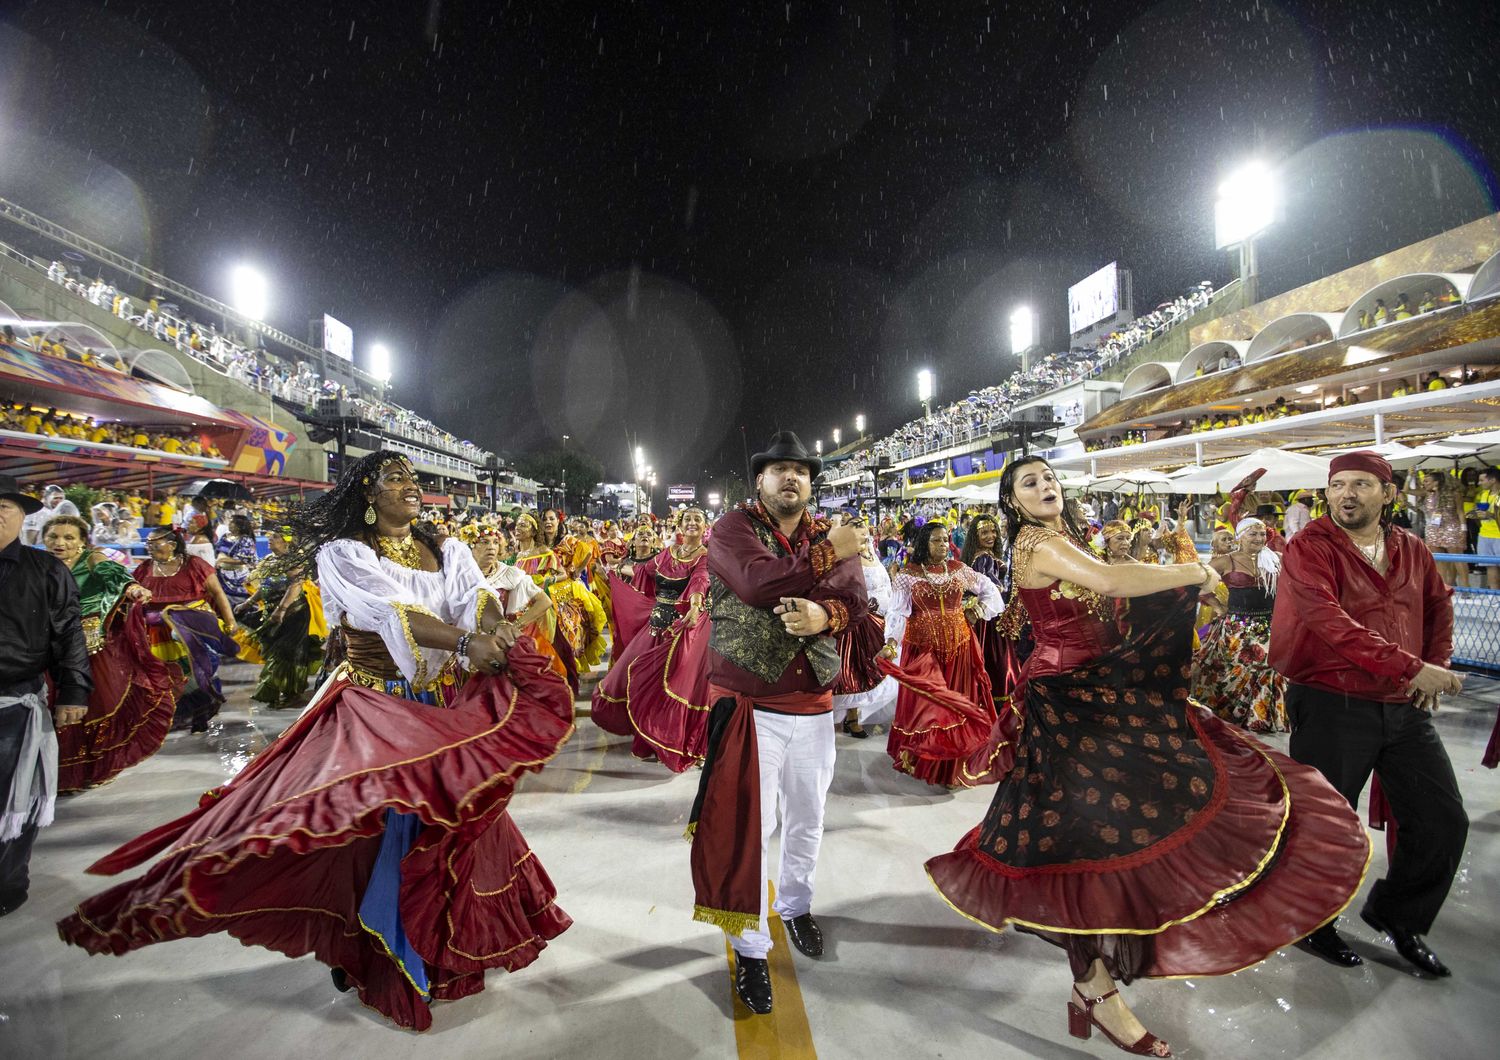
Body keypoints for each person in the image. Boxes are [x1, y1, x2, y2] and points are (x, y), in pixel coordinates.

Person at [58, 451, 576, 1031]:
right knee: (372, 830)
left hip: (435, 708)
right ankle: (378, 951)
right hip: (371, 708)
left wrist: (493, 627)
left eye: (412, 478)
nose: (410, 486)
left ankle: (440, 948)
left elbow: (472, 599)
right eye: (395, 478)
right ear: (366, 494)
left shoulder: (449, 550)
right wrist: (464, 643)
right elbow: (390, 611)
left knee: (450, 823)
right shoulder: (344, 555)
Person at [926, 456, 1370, 1058]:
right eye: (1029, 483)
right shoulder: (1035, 543)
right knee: (1085, 845)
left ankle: (1099, 974)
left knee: (1116, 830)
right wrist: (1191, 571)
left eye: (1049, 477)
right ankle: (1094, 988)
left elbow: (1115, 594)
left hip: (1105, 690)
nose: (1045, 486)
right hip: (1065, 704)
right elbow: (1111, 582)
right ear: (1012, 502)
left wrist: (1178, 593)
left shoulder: (1064, 536)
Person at [688, 432, 867, 1016]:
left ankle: (795, 905)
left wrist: (823, 612)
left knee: (808, 820)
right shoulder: (733, 529)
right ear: (759, 480)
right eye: (779, 470)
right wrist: (822, 561)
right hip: (751, 709)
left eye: (801, 471)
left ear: (811, 483)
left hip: (814, 706)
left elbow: (856, 600)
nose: (792, 478)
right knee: (750, 832)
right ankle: (752, 946)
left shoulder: (826, 535)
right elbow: (756, 583)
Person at [1270, 450, 1466, 977]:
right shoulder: (1309, 547)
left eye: (1361, 484)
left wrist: (1436, 664)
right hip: (1333, 702)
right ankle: (1313, 922)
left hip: (1402, 707)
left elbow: (1438, 606)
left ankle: (1400, 915)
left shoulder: (1412, 549)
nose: (1346, 494)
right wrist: (1412, 667)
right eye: (1337, 485)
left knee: (1441, 818)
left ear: (1388, 493)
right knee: (1328, 822)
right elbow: (1329, 623)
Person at [0, 476, 91, 915]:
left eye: (5, 506)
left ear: (21, 515)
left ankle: (7, 883)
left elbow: (68, 633)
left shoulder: (45, 569)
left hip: (16, 705)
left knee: (14, 800)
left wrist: (73, 690)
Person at [40, 515, 178, 791]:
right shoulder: (38, 565)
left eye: (69, 538)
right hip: (48, 648)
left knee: (96, 707)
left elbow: (113, 575)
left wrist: (132, 588)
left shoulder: (92, 559)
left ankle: (96, 768)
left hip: (91, 647)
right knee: (52, 709)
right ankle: (57, 773)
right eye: (53, 536)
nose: (60, 543)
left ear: (82, 542)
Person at [883, 521, 1004, 786]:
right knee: (932, 708)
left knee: (955, 707)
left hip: (960, 648)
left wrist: (978, 610)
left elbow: (991, 590)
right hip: (922, 650)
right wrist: (891, 643)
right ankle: (927, 761)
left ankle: (953, 768)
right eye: (936, 540)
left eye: (945, 539)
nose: (942, 545)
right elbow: (897, 613)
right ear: (925, 542)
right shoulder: (908, 574)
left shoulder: (959, 570)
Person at [592, 508, 713, 770]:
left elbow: (700, 581)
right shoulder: (666, 555)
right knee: (634, 675)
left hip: (683, 628)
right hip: (655, 625)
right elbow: (642, 570)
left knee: (669, 684)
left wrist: (694, 604)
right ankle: (649, 738)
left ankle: (669, 740)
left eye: (697, 520)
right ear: (679, 526)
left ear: (705, 527)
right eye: (687, 519)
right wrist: (614, 571)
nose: (692, 523)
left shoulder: (704, 557)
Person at [132, 526, 241, 733]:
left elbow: (218, 593)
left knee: (195, 671)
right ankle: (174, 714)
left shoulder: (194, 565)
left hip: (193, 628)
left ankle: (198, 709)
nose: (150, 549)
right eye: (148, 545)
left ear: (172, 545)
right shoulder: (144, 568)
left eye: (155, 545)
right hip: (156, 634)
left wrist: (230, 621)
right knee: (164, 674)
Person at [1193, 517, 1287, 732]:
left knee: (1269, 667)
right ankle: (1235, 714)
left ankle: (1259, 718)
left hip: (1269, 626)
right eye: (1252, 534)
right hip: (1237, 628)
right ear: (1240, 537)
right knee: (1237, 672)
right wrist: (1217, 606)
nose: (1259, 538)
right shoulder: (1225, 561)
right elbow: (1198, 586)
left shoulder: (1276, 559)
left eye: (1262, 534)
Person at [242, 527, 326, 711]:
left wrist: (281, 609)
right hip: (272, 613)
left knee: (289, 653)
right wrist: (248, 603)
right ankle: (276, 691)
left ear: (286, 542)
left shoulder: (294, 560)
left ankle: (292, 693)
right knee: (275, 653)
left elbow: (295, 585)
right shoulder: (270, 560)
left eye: (275, 537)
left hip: (294, 614)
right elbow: (264, 586)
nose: (270, 539)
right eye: (270, 536)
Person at [831, 518, 898, 736]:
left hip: (878, 622)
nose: (861, 531)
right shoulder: (844, 555)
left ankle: (858, 715)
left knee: (876, 668)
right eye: (855, 527)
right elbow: (838, 587)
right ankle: (851, 717)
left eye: (862, 526)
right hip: (855, 623)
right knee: (855, 672)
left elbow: (884, 583)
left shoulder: (871, 552)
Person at [214, 513, 260, 609]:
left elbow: (243, 560)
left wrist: (223, 560)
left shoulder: (246, 540)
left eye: (232, 522)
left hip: (236, 574)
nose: (229, 524)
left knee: (235, 598)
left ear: (239, 526)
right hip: (220, 572)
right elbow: (217, 549)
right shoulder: (225, 536)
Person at [1474, 466, 1500, 590]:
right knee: (1490, 566)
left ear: (1493, 480)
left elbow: (1493, 514)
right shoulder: (1484, 494)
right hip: (1484, 535)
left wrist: (1490, 515)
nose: (1479, 483)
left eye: (1482, 480)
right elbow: (1483, 513)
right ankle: (1493, 597)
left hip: (1498, 536)